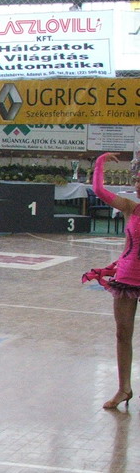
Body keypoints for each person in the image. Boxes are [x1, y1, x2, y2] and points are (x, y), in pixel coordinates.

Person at [82, 153, 140, 411]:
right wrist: (100, 162)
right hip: (127, 277)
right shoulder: (131, 207)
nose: (137, 185)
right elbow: (98, 190)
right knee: (122, 333)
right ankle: (124, 388)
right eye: (137, 180)